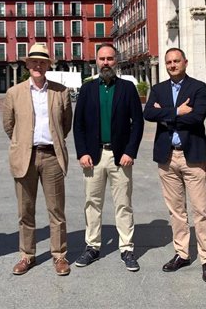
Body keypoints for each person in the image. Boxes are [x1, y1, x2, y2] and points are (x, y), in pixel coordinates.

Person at [143, 48, 206, 283]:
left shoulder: (197, 87)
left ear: (185, 62)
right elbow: (148, 114)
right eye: (169, 62)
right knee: (176, 210)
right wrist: (177, 111)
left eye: (176, 61)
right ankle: (182, 253)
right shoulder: (158, 89)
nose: (173, 65)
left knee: (201, 210)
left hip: (192, 156)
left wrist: (165, 115)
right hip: (167, 157)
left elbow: (197, 117)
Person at [2, 43, 73, 276]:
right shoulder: (14, 93)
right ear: (28, 65)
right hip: (25, 156)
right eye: (34, 61)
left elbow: (65, 125)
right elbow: (9, 125)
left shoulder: (61, 91)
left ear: (48, 65)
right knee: (25, 210)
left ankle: (59, 255)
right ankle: (27, 255)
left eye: (43, 62)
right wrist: (22, 142)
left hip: (52, 156)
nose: (38, 65)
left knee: (56, 210)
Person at [73, 43, 144, 272]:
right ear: (96, 61)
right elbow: (79, 125)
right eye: (102, 59)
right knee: (92, 203)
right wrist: (82, 152)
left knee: (124, 204)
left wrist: (130, 152)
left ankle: (127, 248)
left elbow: (138, 124)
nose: (106, 63)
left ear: (117, 61)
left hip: (120, 156)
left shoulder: (127, 88)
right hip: (93, 157)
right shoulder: (87, 89)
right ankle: (92, 247)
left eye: (110, 59)